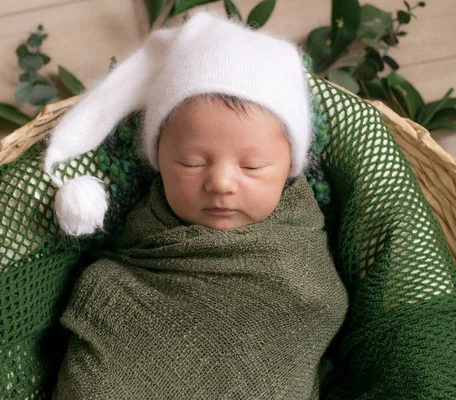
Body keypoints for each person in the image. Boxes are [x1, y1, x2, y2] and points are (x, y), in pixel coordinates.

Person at [43, 11, 348, 399]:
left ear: (290, 168)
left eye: (252, 166)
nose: (220, 183)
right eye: (191, 163)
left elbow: (316, 304)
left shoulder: (297, 249)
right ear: (159, 162)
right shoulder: (142, 244)